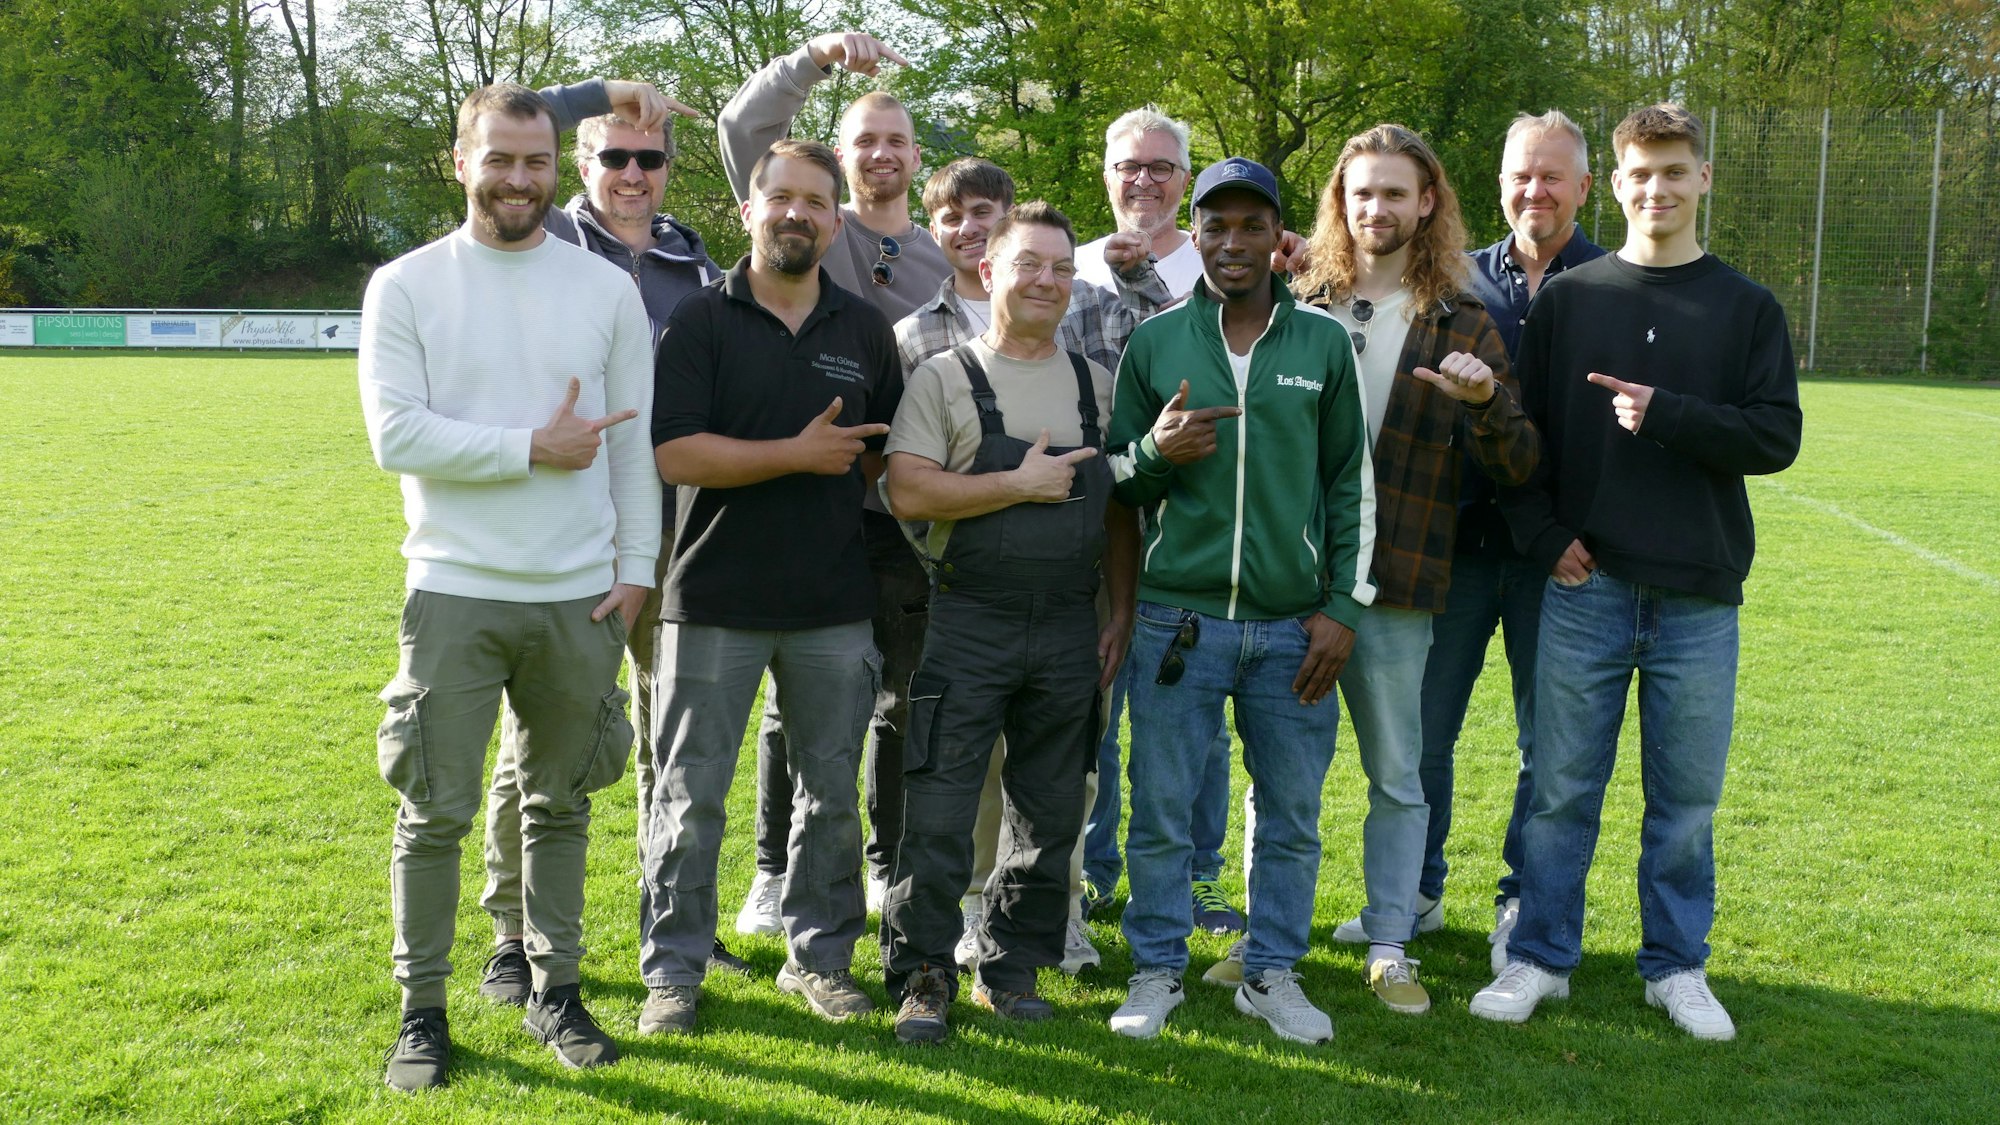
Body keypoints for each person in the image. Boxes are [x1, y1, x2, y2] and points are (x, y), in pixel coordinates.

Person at [1470, 103, 1802, 1041]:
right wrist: (1543, 537)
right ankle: (1540, 956)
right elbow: (1522, 440)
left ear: (1703, 179)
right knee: (1560, 791)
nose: (1658, 189)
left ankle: (1676, 966)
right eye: (1641, 174)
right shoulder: (1573, 301)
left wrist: (1670, 415)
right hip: (1588, 590)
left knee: (1685, 803)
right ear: (1615, 185)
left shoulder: (1746, 307)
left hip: (1698, 596)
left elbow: (1776, 436)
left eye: (1675, 172)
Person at [362, 82, 660, 1089]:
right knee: (433, 812)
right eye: (499, 159)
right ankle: (422, 1012)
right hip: (453, 588)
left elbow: (631, 449)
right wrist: (531, 446)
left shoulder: (605, 290)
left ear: (555, 168)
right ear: (461, 163)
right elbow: (395, 435)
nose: (518, 179)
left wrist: (635, 571)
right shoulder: (405, 285)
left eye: (536, 161)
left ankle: (556, 989)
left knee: (559, 807)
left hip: (580, 598)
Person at [475, 85, 754, 1005]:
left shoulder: (692, 260)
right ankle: (513, 933)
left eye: (652, 158)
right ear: (579, 164)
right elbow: (503, 124)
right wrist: (597, 95)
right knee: (538, 736)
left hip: (676, 530)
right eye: (614, 156)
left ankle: (673, 925)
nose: (634, 174)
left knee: (672, 737)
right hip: (565, 527)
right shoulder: (543, 235)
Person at [1268, 124, 1536, 1016]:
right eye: (1361, 192)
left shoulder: (1462, 318)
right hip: (1292, 581)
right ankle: (1268, 938)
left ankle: (1391, 942)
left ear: (1427, 204)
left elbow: (1520, 461)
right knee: (1281, 776)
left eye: (1394, 193)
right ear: (1339, 203)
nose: (1376, 207)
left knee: (1397, 774)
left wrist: (1484, 401)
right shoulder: (1295, 302)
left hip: (1399, 583)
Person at [1107, 158, 1375, 1045]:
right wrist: (1157, 453)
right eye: (1215, 225)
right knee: (1163, 809)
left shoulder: (1323, 344)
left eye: (1251, 225)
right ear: (1193, 235)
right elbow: (1116, 480)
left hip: (1293, 627)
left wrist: (1343, 608)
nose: (1232, 242)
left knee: (1291, 815)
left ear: (1276, 237)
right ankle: (1157, 967)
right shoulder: (1155, 343)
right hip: (1175, 622)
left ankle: (1271, 971)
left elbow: (1351, 485)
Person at [639, 138, 902, 1035]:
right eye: (780, 197)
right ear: (748, 210)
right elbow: (675, 453)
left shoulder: (864, 329)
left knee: (830, 797)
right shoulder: (698, 320)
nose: (797, 213)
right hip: (712, 596)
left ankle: (820, 960)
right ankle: (674, 972)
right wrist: (795, 454)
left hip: (832, 603)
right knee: (689, 796)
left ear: (836, 220)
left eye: (816, 201)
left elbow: (880, 458)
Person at [892, 157, 1168, 978]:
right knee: (943, 801)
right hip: (969, 616)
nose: (1046, 281)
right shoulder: (944, 376)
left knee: (1053, 805)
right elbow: (907, 489)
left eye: (1060, 268)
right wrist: (1015, 484)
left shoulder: (1097, 384)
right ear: (989, 272)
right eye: (1028, 265)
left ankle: (1017, 963)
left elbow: (1118, 509)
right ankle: (925, 967)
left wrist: (1122, 610)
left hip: (1069, 621)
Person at [717, 31, 946, 931]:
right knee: (794, 703)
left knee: (900, 698)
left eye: (897, 141)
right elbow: (743, 129)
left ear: (916, 159)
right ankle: (773, 870)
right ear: (842, 156)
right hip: (806, 507)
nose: (882, 154)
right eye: (865, 141)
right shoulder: (810, 228)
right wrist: (812, 61)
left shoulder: (944, 258)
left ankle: (886, 863)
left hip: (901, 516)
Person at [1427, 109, 1607, 974]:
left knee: (1551, 749)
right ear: (1499, 185)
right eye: (1520, 176)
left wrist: (1561, 532)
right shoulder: (1453, 279)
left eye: (1551, 176)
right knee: (1423, 734)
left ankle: (1521, 903)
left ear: (1584, 185)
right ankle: (1414, 890)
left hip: (1560, 562)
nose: (1535, 191)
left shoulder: (1613, 283)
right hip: (1456, 550)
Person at [1073, 107, 1245, 935]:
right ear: (1106, 174)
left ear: (1185, 178)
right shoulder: (1067, 266)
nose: (1143, 181)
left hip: (1193, 528)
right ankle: (1093, 869)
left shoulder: (1220, 266)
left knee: (1194, 721)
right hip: (1088, 526)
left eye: (1161, 167)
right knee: (1092, 708)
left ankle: (1197, 875)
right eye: (1128, 166)